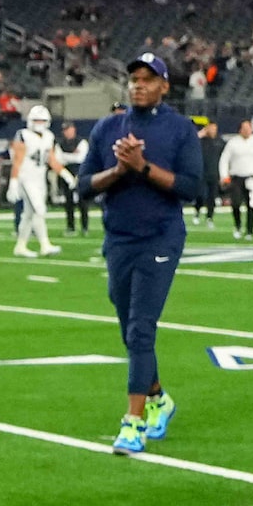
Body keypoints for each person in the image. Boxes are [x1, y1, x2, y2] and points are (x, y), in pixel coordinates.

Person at [77, 52, 203, 457]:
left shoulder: (180, 129)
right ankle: (159, 398)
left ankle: (133, 423)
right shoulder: (107, 127)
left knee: (141, 330)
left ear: (165, 86)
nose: (139, 85)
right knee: (128, 327)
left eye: (149, 79)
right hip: (119, 237)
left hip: (160, 237)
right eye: (134, 78)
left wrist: (143, 166)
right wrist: (118, 169)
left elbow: (191, 187)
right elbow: (82, 186)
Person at [9, 104, 65, 257]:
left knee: (29, 214)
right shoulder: (23, 134)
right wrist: (13, 182)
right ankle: (45, 245)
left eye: (42, 121)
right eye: (37, 120)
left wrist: (66, 175)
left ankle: (20, 246)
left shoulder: (49, 136)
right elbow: (17, 160)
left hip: (40, 178)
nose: (39, 124)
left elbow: (52, 160)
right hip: (26, 177)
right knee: (39, 210)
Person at [219, 117, 253, 242]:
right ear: (240, 130)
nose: (247, 131)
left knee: (251, 205)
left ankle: (250, 231)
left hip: (252, 177)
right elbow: (224, 159)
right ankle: (238, 226)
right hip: (236, 177)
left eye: (249, 128)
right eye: (245, 128)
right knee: (235, 203)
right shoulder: (233, 142)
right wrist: (224, 175)